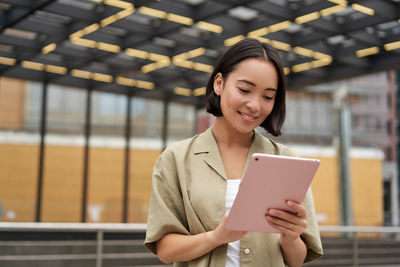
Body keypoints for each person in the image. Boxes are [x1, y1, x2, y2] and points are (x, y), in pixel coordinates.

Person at [144, 38, 323, 267]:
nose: (255, 105)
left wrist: (292, 236)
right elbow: (165, 251)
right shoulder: (175, 160)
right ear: (219, 83)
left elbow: (297, 260)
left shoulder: (287, 161)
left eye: (267, 96)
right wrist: (215, 237)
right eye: (245, 90)